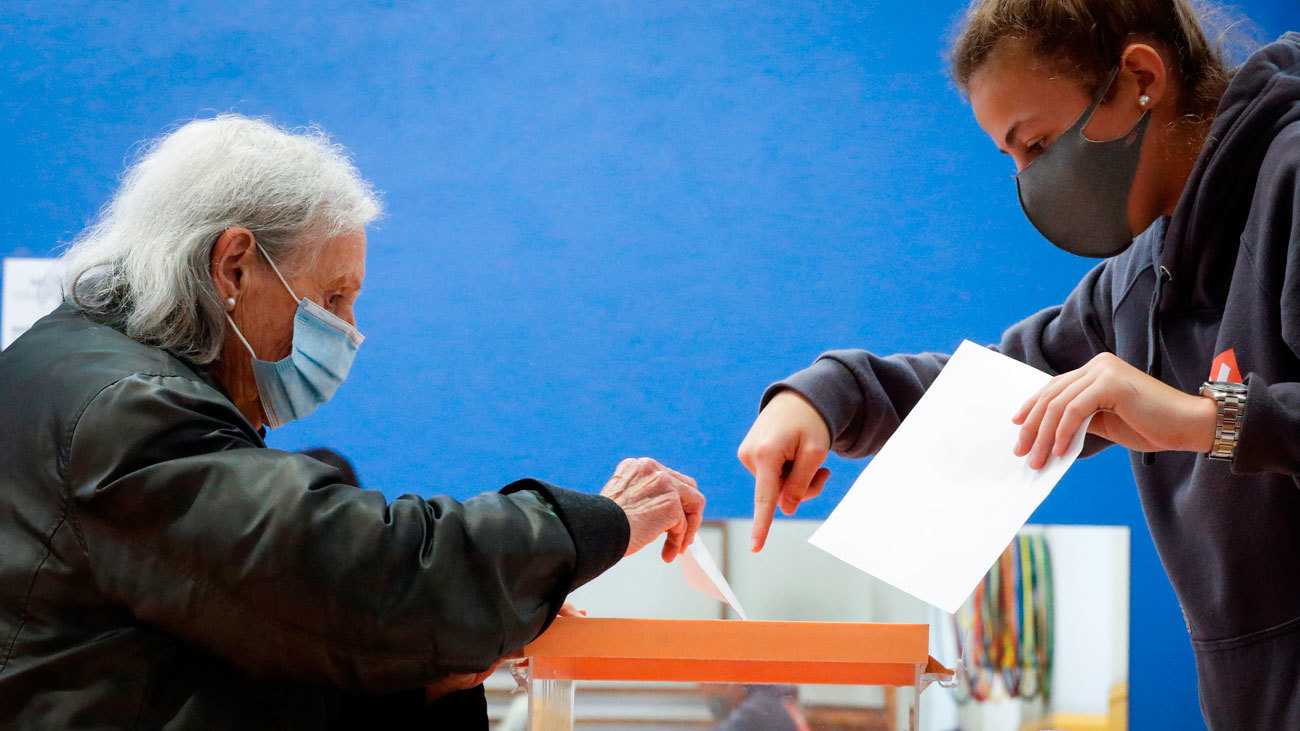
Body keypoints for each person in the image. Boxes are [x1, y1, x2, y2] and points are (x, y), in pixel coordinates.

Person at [0, 115, 705, 729]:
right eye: (333, 296)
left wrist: (424, 668)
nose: (349, 330)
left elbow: (209, 656)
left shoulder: (68, 365)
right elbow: (361, 572)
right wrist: (597, 524)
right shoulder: (128, 412)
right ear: (234, 267)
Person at [738, 1, 1300, 727]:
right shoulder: (1137, 280)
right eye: (1011, 159)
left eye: (1036, 144)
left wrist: (1207, 419)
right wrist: (825, 396)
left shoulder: (1290, 177)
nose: (1031, 182)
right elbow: (998, 391)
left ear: (1140, 76)